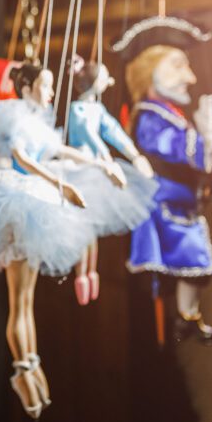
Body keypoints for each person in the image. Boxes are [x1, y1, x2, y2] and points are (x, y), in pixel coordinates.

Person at [0, 64, 124, 417]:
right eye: (45, 85)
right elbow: (21, 157)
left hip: (36, 202)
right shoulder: (14, 115)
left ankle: (30, 362)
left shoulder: (37, 118)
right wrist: (60, 184)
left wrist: (101, 165)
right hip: (20, 201)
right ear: (27, 88)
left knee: (27, 298)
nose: (51, 92)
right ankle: (24, 368)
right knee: (20, 298)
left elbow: (60, 151)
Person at [113, 15, 212, 344]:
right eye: (177, 66)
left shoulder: (169, 114)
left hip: (181, 208)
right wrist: (206, 139)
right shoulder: (150, 117)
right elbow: (173, 147)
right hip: (165, 210)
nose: (190, 78)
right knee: (193, 262)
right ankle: (184, 319)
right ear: (149, 69)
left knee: (196, 266)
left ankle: (188, 318)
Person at [65, 58, 156, 305]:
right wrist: (106, 159)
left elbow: (114, 132)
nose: (110, 81)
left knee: (92, 229)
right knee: (84, 228)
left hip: (97, 168)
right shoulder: (78, 109)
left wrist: (134, 155)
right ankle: (81, 275)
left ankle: (90, 273)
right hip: (83, 167)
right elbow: (90, 136)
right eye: (105, 78)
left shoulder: (97, 109)